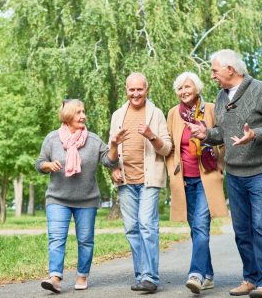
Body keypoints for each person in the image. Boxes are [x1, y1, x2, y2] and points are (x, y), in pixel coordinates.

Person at [188, 50, 262, 298]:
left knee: (261, 227)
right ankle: (251, 278)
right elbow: (222, 134)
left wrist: (256, 134)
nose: (212, 75)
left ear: (230, 70)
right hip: (234, 173)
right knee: (242, 229)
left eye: (214, 70)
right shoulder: (222, 97)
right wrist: (206, 135)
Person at [35, 99, 127, 293]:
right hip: (57, 199)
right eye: (78, 112)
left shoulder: (93, 140)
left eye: (83, 112)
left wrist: (113, 145)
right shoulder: (52, 139)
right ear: (68, 116)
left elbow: (110, 162)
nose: (83, 116)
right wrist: (48, 165)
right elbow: (40, 163)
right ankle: (55, 278)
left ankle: (82, 275)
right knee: (56, 238)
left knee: (85, 239)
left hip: (86, 200)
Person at [109, 72, 172, 293]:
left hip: (149, 179)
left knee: (147, 225)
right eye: (131, 89)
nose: (135, 94)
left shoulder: (155, 114)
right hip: (125, 180)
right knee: (132, 229)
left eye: (140, 89)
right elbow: (111, 151)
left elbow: (167, 148)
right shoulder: (118, 115)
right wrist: (113, 168)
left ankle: (150, 277)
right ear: (126, 90)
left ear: (147, 89)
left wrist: (151, 136)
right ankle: (141, 275)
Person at [166, 72, 229, 294]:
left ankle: (195, 274)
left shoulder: (210, 109)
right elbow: (171, 146)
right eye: (180, 88)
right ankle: (208, 274)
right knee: (195, 228)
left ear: (197, 88)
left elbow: (223, 135)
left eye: (187, 86)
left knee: (201, 225)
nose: (183, 91)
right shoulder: (174, 113)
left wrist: (220, 165)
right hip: (184, 180)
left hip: (207, 176)